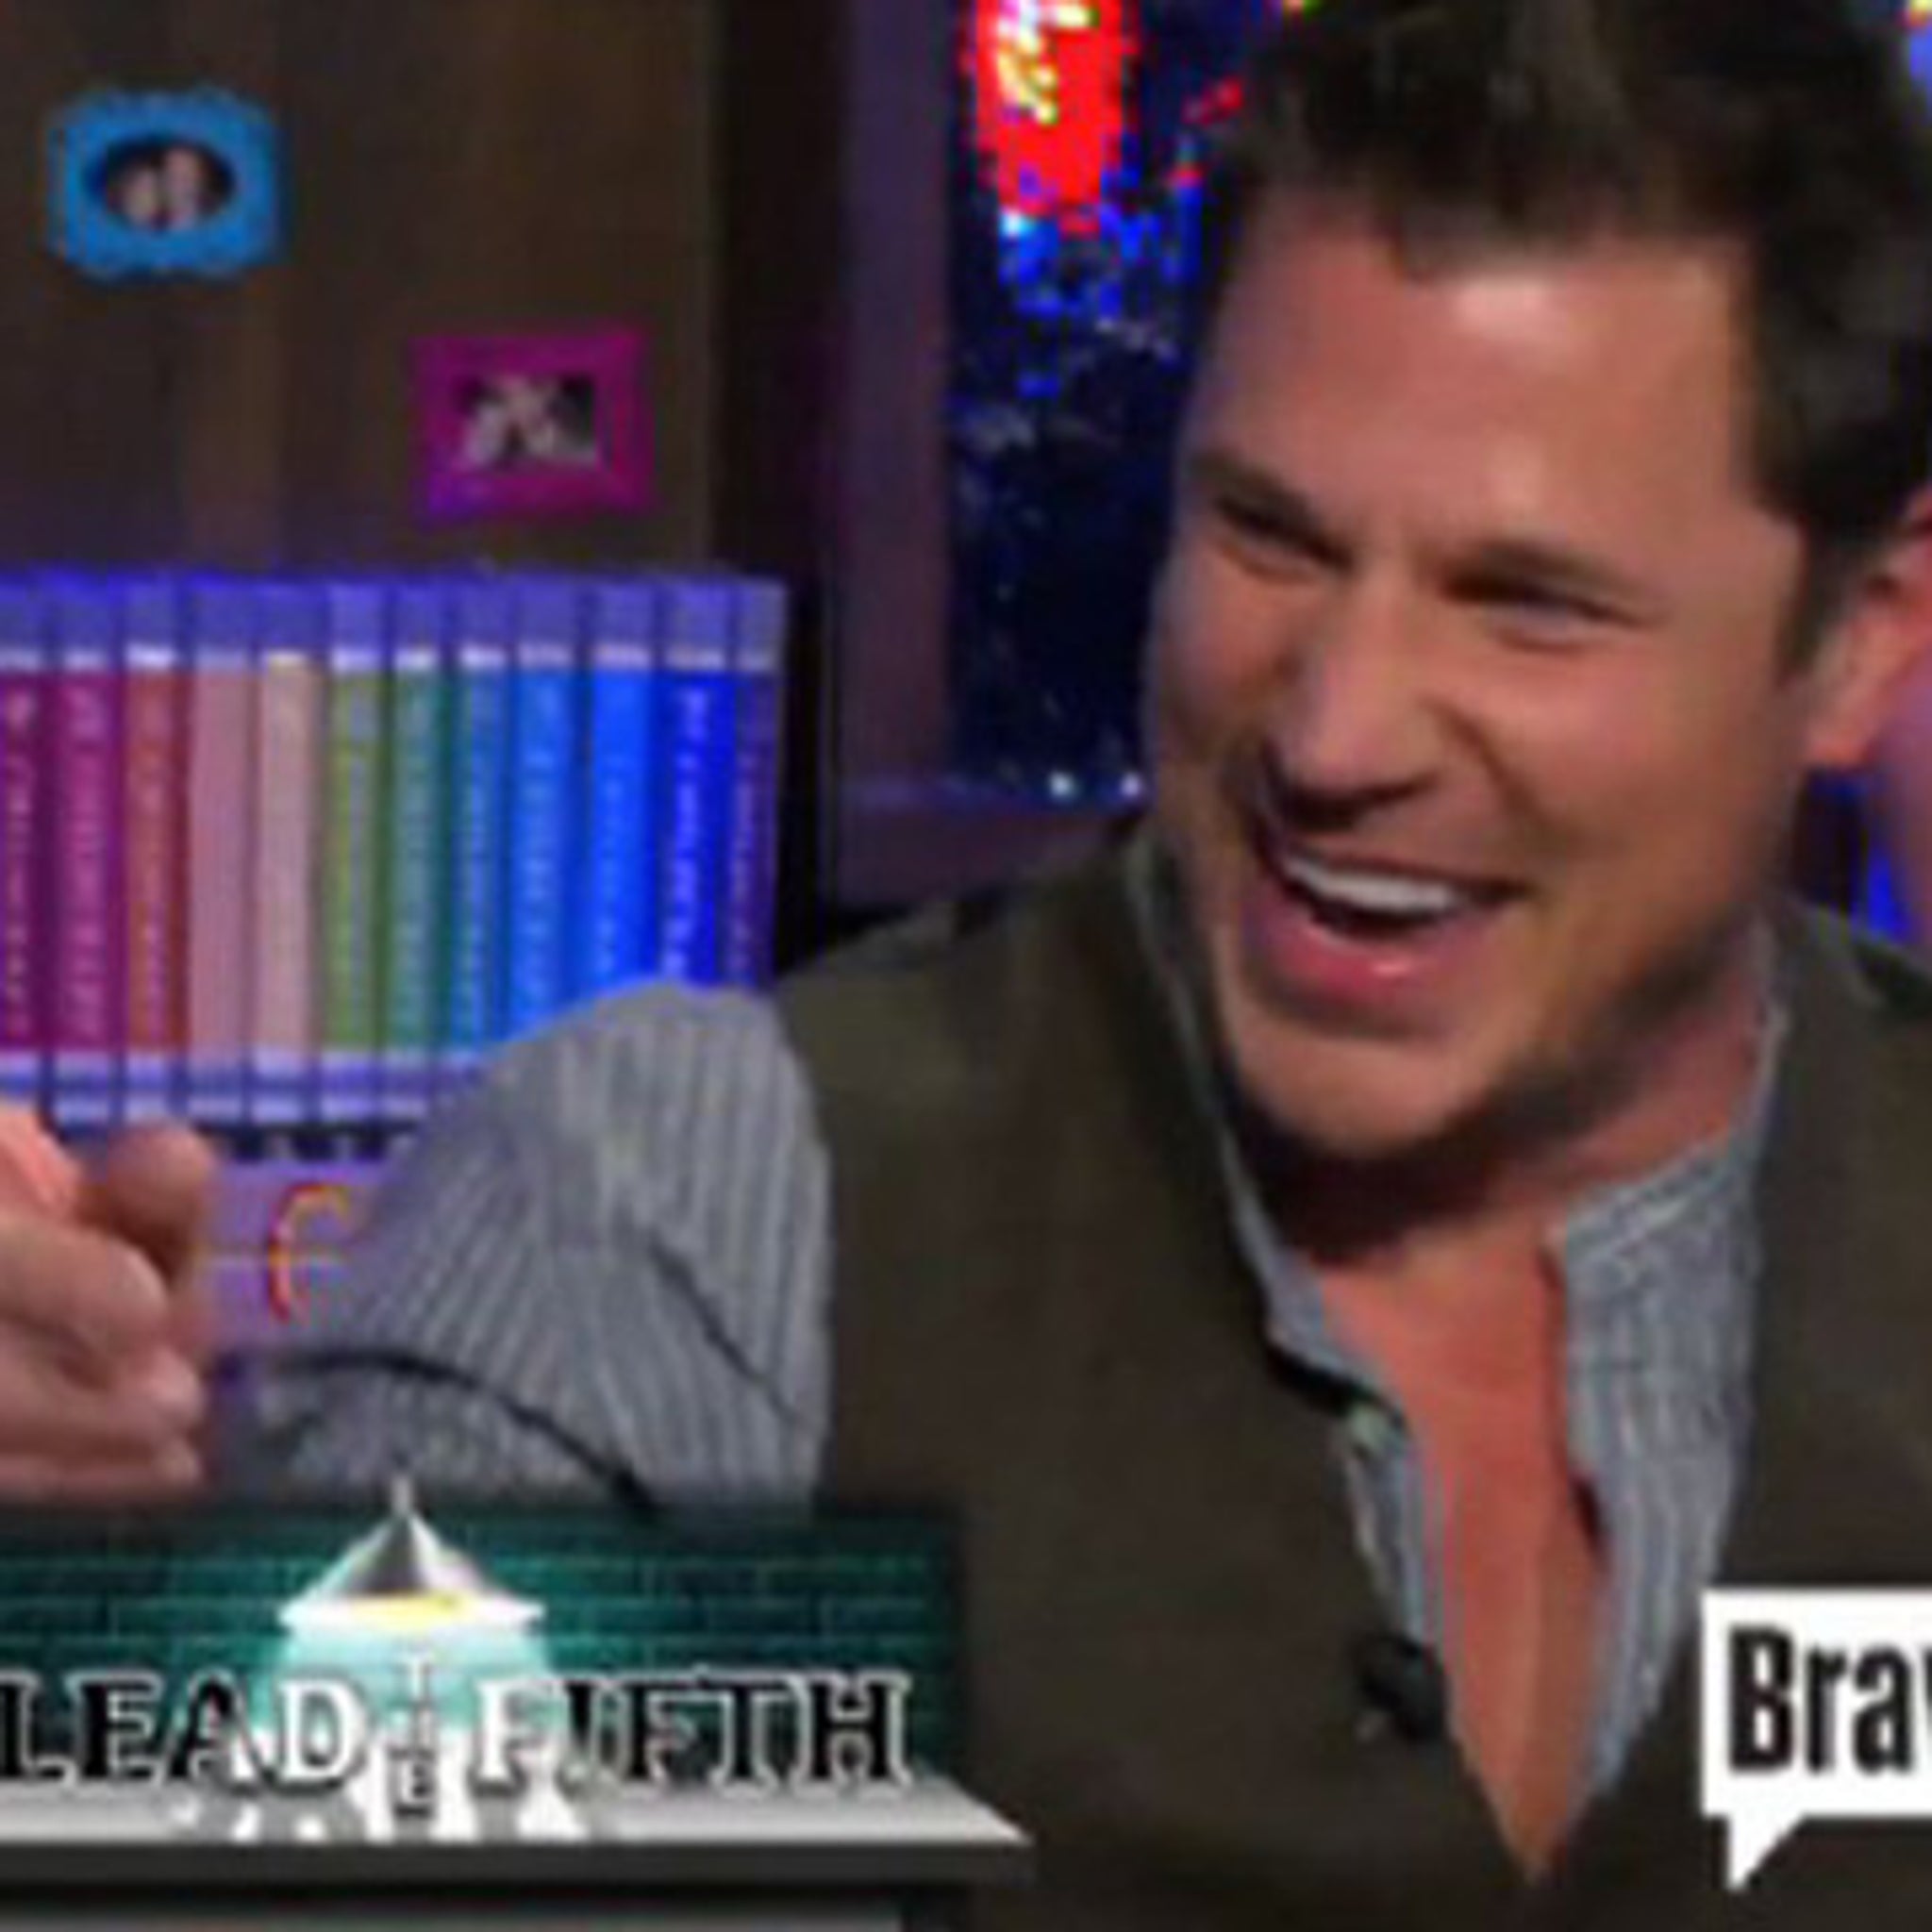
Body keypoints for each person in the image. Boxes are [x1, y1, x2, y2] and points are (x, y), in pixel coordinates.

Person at [14, 0, 1932, 1919]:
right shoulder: (690, 1224)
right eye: (1267, 538)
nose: (1335, 733)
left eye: (1525, 606)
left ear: (1860, 640)